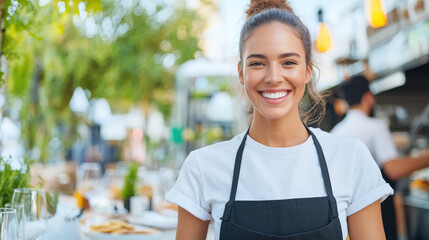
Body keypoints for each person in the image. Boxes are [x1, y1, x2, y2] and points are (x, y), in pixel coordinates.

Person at [167, 1, 393, 239]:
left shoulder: (351, 158)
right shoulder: (203, 167)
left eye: (288, 62)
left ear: (307, 71)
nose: (274, 77)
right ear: (241, 73)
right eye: (257, 63)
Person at [331, 75, 429, 240]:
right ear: (368, 97)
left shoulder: (336, 131)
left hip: (345, 212)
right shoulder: (375, 126)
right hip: (375, 210)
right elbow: (394, 169)